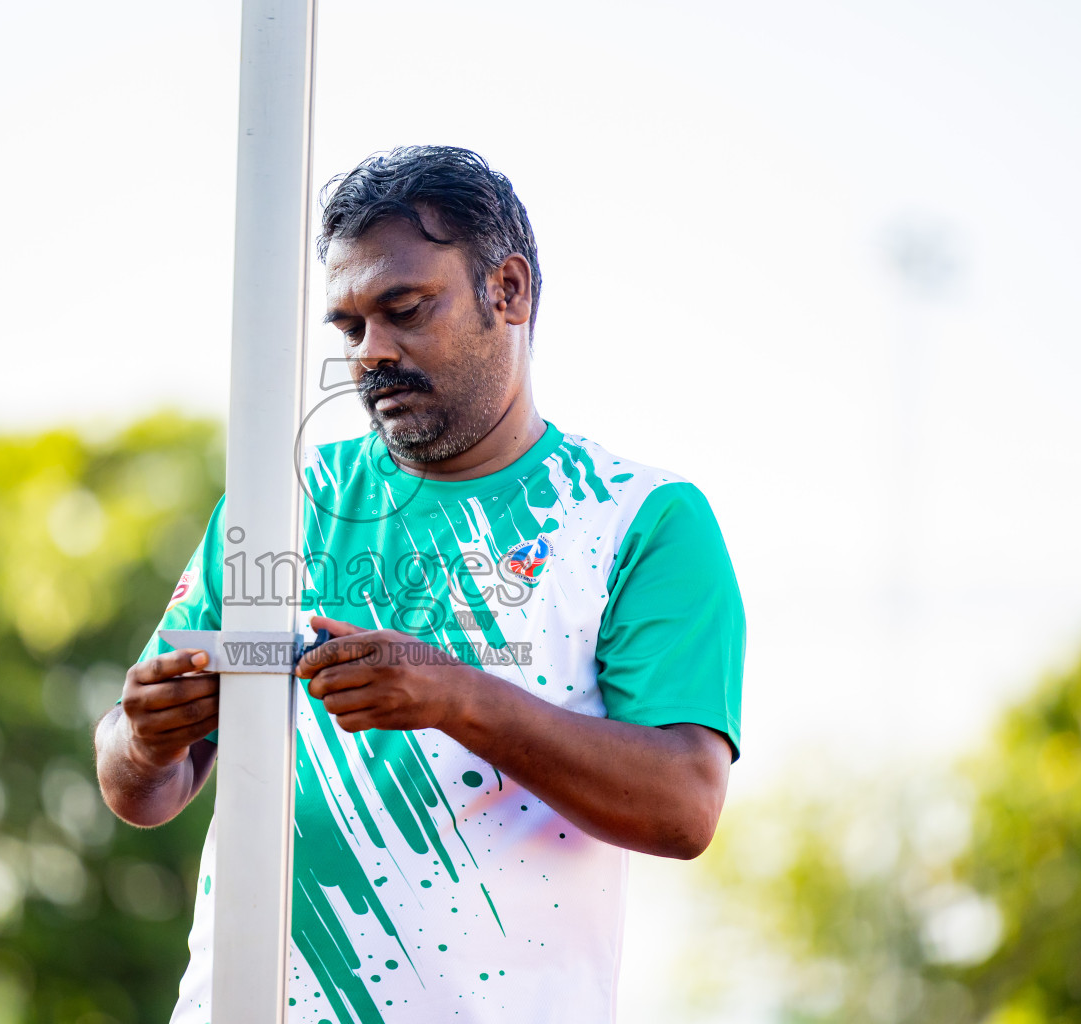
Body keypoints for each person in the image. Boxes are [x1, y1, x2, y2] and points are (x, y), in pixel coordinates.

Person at [94, 145, 745, 1024]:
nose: (372, 353)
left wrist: (457, 697)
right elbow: (143, 789)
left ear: (507, 291)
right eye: (349, 327)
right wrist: (144, 737)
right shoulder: (282, 499)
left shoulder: (639, 519)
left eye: (404, 310)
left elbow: (684, 806)